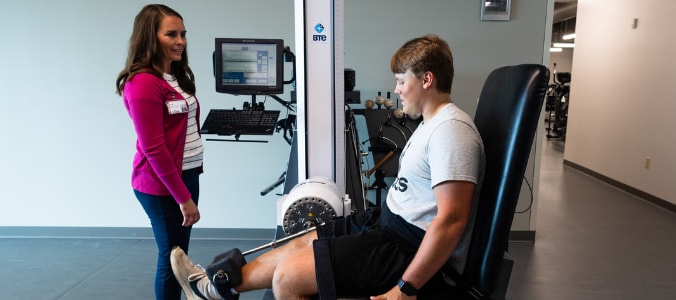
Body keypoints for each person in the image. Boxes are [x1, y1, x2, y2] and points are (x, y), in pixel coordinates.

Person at [170, 34, 484, 300]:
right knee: (301, 241)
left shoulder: (451, 131)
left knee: (289, 279)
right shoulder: (432, 125)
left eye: (402, 81)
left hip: (405, 247)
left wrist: (406, 286)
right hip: (387, 225)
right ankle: (211, 289)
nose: (398, 89)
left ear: (427, 79)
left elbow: (451, 221)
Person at [116, 4, 204, 300]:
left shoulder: (175, 76)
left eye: (183, 34)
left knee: (180, 256)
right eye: (171, 34)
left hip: (187, 177)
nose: (180, 41)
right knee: (172, 257)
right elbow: (154, 149)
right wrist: (184, 199)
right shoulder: (142, 83)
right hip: (161, 185)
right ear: (150, 37)